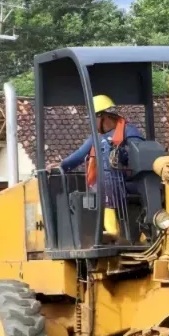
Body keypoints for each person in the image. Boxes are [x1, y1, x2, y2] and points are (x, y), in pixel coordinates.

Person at [58, 95, 144, 238]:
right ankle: (106, 231)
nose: (91, 124)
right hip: (106, 186)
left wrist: (123, 156)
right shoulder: (96, 137)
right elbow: (79, 155)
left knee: (107, 180)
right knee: (99, 186)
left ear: (103, 116)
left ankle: (114, 233)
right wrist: (60, 166)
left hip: (130, 183)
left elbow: (139, 156)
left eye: (93, 119)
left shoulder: (129, 132)